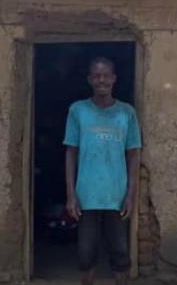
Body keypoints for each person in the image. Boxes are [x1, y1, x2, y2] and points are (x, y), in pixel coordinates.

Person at [64, 57, 142, 285]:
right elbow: (71, 152)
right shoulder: (77, 110)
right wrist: (71, 195)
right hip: (86, 195)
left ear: (114, 79)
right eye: (96, 76)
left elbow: (134, 154)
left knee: (120, 252)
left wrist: (130, 194)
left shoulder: (126, 113)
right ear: (90, 80)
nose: (101, 80)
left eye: (106, 75)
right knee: (86, 253)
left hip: (116, 196)